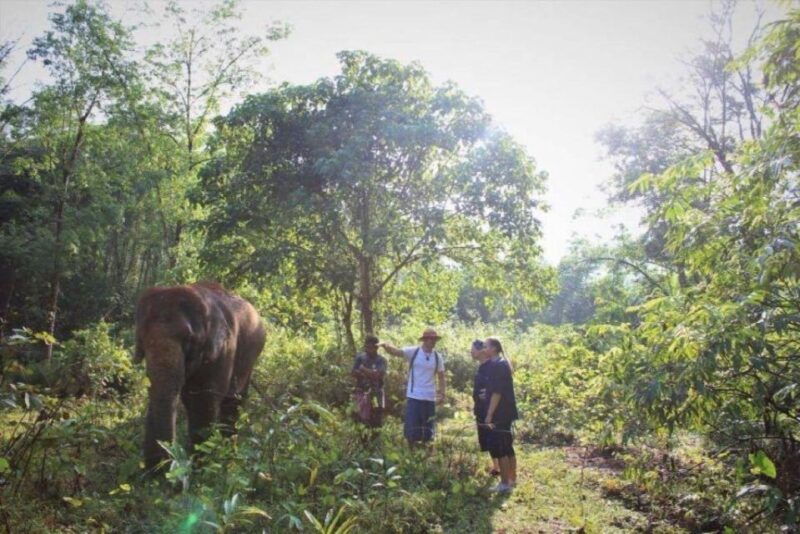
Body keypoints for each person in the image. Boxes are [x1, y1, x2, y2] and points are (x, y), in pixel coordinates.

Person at [379, 328, 447, 446]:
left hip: (430, 397)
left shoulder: (437, 357)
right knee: (412, 424)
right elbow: (397, 352)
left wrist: (442, 393)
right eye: (430, 339)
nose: (433, 341)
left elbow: (441, 377)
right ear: (424, 340)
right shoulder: (414, 352)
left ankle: (426, 449)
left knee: (428, 427)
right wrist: (385, 345)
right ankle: (412, 448)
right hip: (414, 395)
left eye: (434, 339)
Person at [482, 336, 518, 493]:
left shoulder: (499, 366)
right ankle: (512, 479)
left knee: (502, 446)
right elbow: (494, 389)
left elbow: (498, 393)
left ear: (494, 348)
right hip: (506, 410)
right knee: (507, 445)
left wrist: (489, 414)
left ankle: (504, 484)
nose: (484, 349)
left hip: (501, 412)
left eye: (486, 346)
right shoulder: (499, 364)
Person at [471, 339, 500, 477]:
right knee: (486, 439)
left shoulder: (491, 366)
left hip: (489, 409)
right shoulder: (481, 366)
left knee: (493, 438)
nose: (471, 352)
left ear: (482, 351)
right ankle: (496, 467)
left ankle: (500, 468)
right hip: (480, 409)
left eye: (473, 349)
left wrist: (487, 395)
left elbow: (496, 388)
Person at [351, 334, 387, 428]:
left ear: (376, 348)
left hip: (376, 392)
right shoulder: (360, 357)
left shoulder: (381, 360)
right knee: (359, 419)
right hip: (361, 391)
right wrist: (368, 373)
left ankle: (375, 440)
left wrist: (363, 369)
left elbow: (378, 375)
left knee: (376, 419)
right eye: (367, 347)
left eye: (371, 347)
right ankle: (362, 441)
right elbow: (353, 372)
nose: (369, 349)